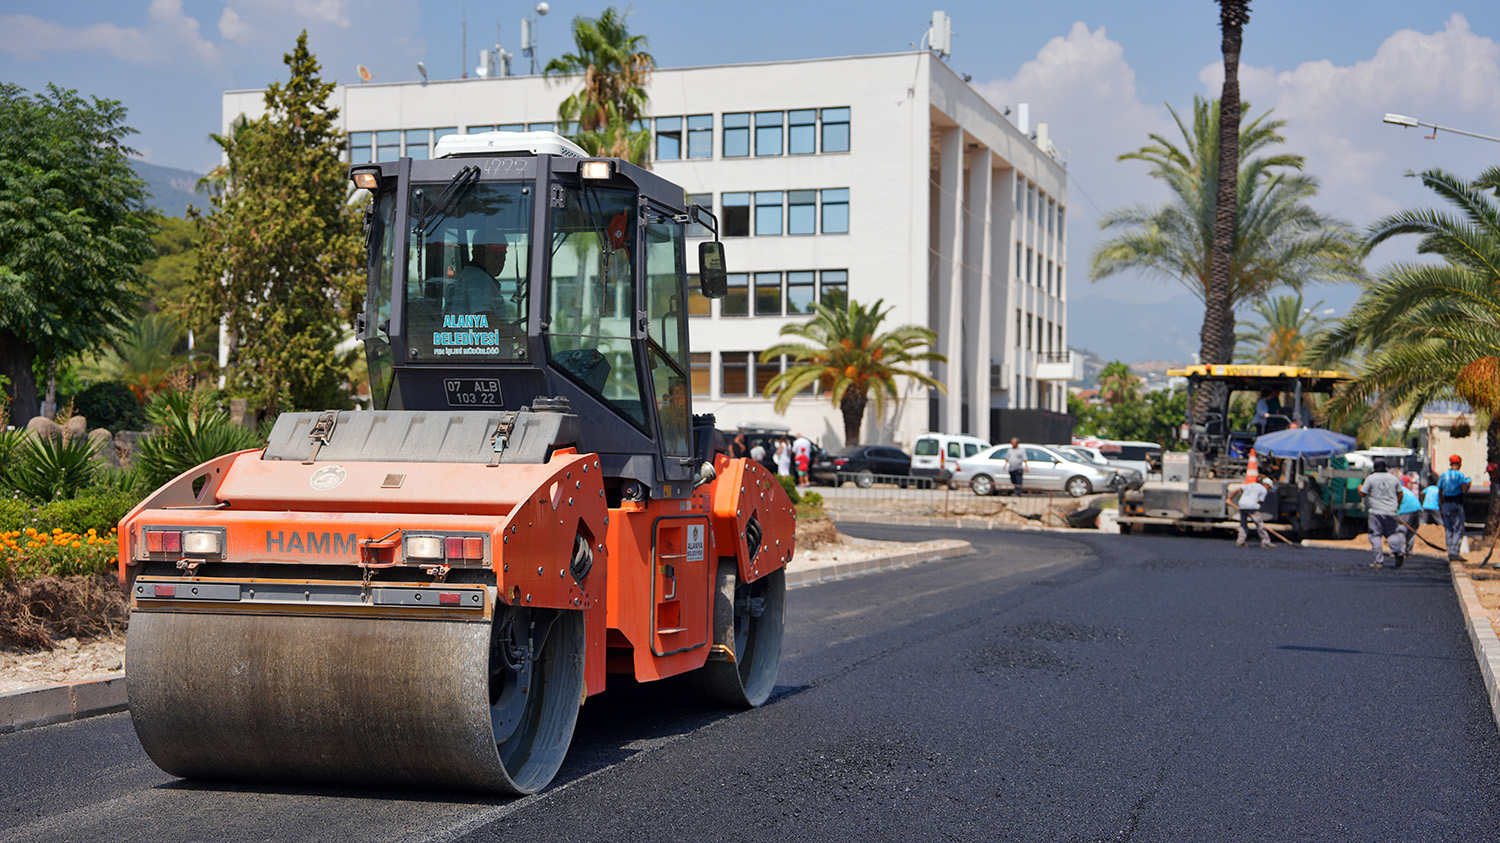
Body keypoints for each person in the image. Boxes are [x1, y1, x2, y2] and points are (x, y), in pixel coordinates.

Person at [1359, 457, 1405, 568]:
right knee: (1392, 533)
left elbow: (1362, 494)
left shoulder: (1371, 478)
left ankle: (1378, 561)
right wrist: (1394, 506)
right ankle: (1397, 551)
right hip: (1391, 511)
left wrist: (1359, 487)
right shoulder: (1393, 478)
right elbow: (1400, 494)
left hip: (1375, 512)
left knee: (1376, 535)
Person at [1438, 454, 1472, 562]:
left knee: (1448, 529)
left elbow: (1440, 491)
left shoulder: (1443, 475)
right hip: (1457, 504)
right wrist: (1469, 483)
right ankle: (1454, 553)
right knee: (1458, 529)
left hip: (1447, 504)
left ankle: (1450, 552)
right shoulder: (1459, 475)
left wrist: (1442, 504)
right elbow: (1464, 489)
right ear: (1459, 464)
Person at [1225, 475, 1274, 548]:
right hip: (1252, 507)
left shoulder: (1250, 485)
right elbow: (1259, 502)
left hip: (1242, 505)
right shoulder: (1263, 490)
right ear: (1266, 485)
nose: (1268, 489)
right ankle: (1266, 542)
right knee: (1260, 524)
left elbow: (1237, 490)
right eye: (1269, 487)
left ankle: (1240, 541)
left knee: (1243, 524)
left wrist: (1229, 499)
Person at [1394, 482, 1423, 564]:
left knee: (1401, 530)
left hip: (1407, 509)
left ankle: (1401, 551)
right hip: (1417, 507)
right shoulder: (1404, 489)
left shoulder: (1396, 490)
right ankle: (1409, 551)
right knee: (1412, 530)